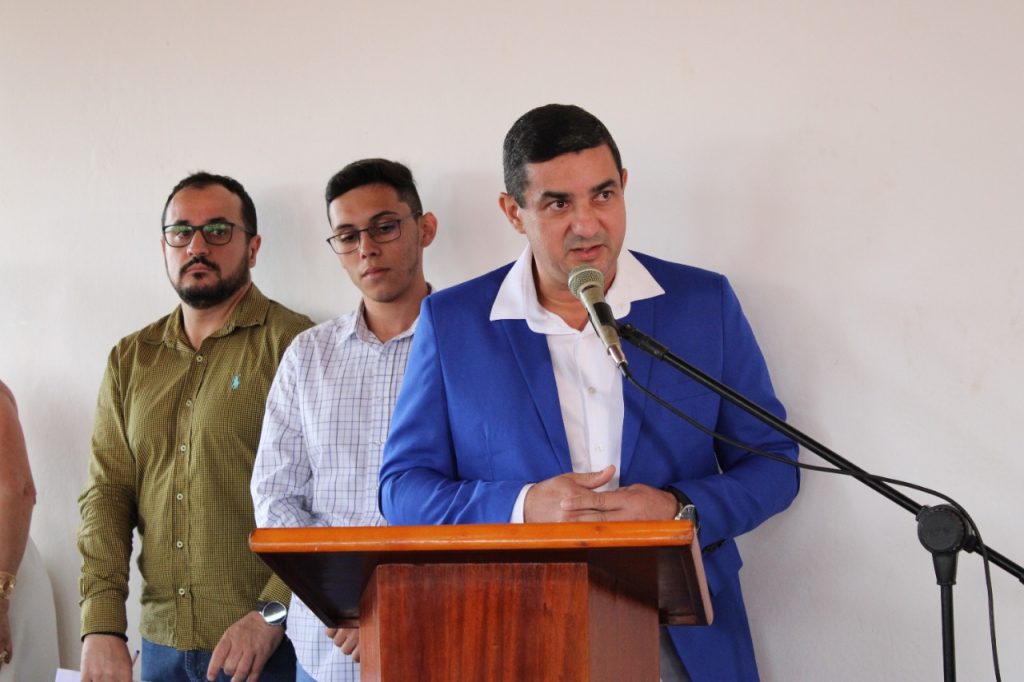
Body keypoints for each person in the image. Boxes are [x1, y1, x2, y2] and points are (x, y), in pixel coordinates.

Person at [378, 104, 800, 681]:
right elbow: (402, 489)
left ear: (623, 186)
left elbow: (774, 462)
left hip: (682, 634)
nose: (587, 224)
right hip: (511, 635)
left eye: (603, 195)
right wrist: (524, 507)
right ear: (513, 211)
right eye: (558, 204)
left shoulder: (703, 303)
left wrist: (677, 509)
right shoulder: (453, 322)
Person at [77, 172, 314, 682]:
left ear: (253, 247)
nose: (197, 246)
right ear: (164, 247)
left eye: (218, 231)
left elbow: (328, 499)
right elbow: (107, 495)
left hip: (268, 651)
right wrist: (101, 626)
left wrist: (271, 614)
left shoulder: (296, 345)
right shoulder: (131, 359)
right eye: (181, 232)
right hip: (159, 646)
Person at [252, 158, 438, 682]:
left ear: (424, 229)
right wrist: (344, 597)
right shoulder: (307, 356)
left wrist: (391, 595)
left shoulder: (467, 346)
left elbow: (480, 497)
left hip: (437, 630)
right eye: (348, 236)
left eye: (385, 227)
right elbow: (274, 496)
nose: (366, 248)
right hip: (327, 649)